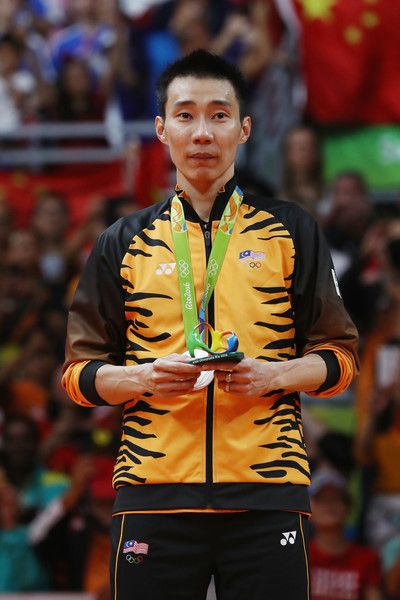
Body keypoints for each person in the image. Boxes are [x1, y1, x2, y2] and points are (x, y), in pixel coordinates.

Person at [62, 49, 359, 600]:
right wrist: (144, 377)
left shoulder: (291, 230)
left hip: (267, 495)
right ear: (161, 129)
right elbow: (78, 373)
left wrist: (275, 376)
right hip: (153, 493)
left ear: (244, 129)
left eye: (219, 115)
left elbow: (341, 360)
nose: (202, 131)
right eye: (186, 114)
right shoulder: (122, 241)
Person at [309, 468, 383, 600]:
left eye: (337, 498)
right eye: (321, 499)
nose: (329, 505)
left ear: (348, 507)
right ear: (308, 509)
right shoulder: (298, 557)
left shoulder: (367, 558)